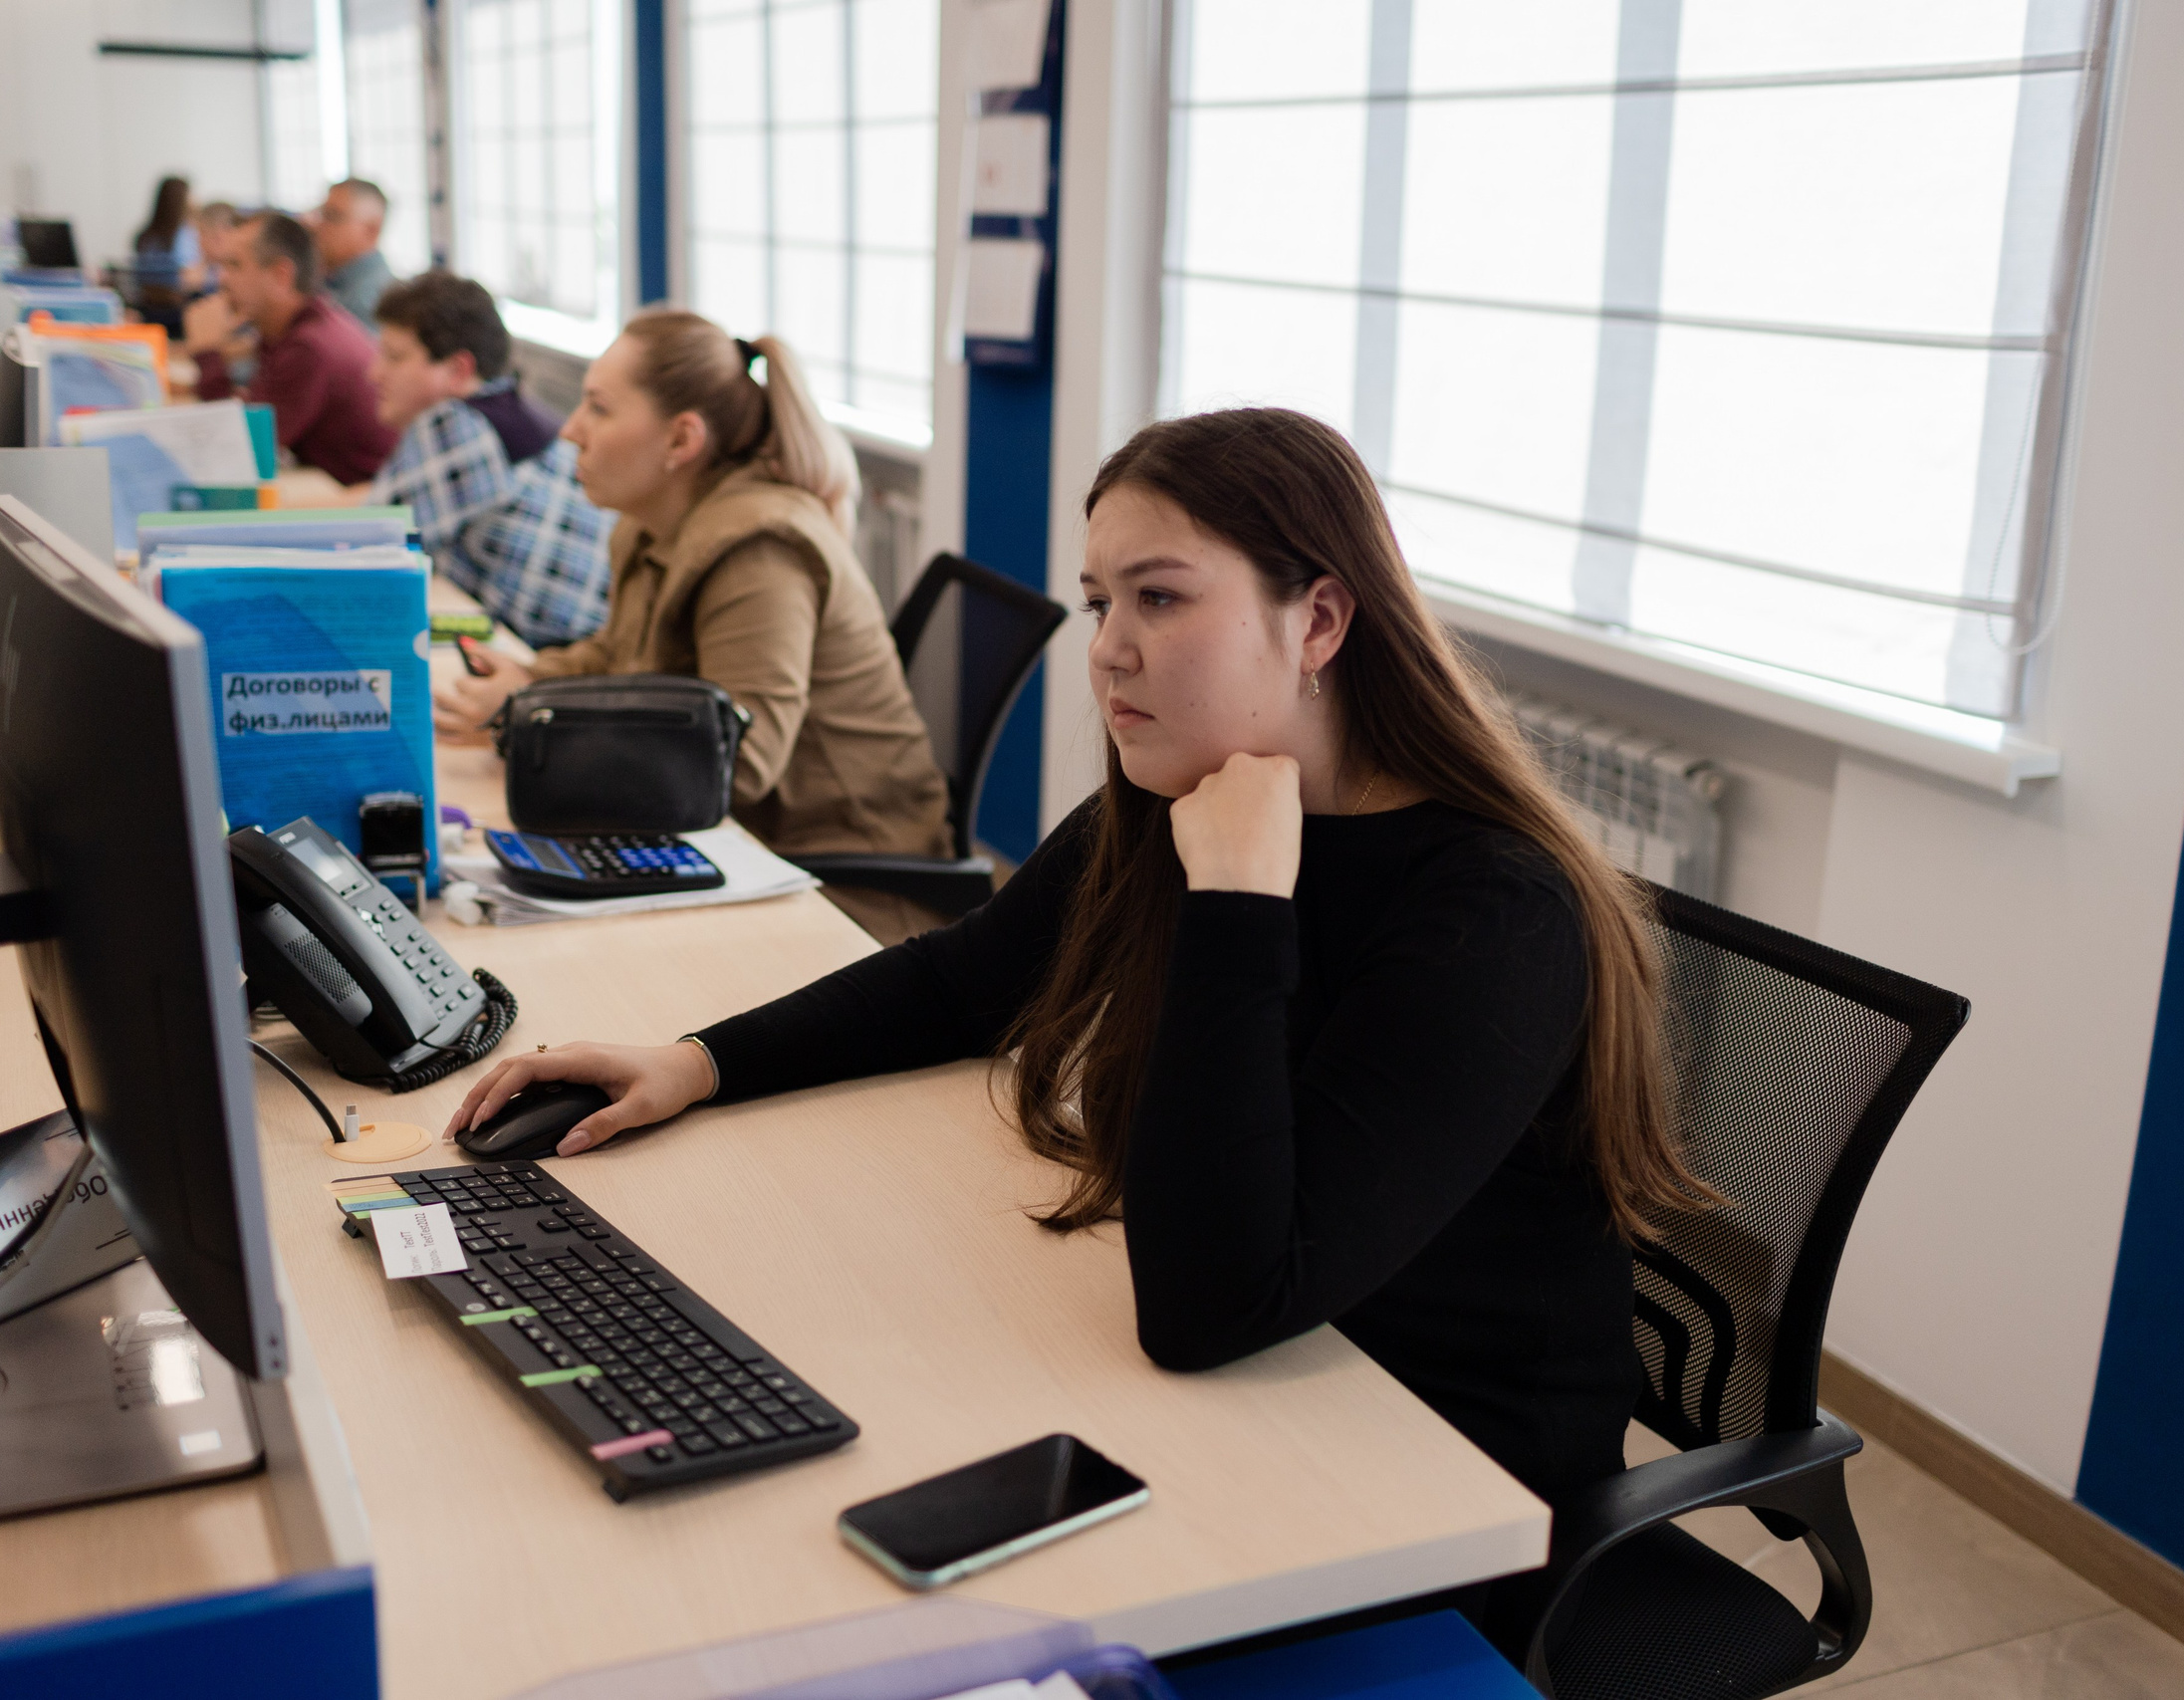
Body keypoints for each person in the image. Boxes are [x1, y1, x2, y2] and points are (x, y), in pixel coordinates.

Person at [443, 408, 1708, 1638]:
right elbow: (964, 980)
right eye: (1102, 601)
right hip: (1254, 1386)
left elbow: (1214, 1305)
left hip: (1439, 1478)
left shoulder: (1491, 913)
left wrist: (1238, 905)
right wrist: (700, 1061)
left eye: (1160, 598)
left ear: (1317, 617)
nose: (1106, 646)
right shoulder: (1191, 803)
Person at [432, 309, 952, 929]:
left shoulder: (758, 550)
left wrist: (536, 718)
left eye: (598, 408)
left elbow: (744, 760)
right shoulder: (651, 527)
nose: (571, 429)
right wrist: (531, 679)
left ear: (682, 440)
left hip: (840, 884)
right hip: (735, 849)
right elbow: (620, 655)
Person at [342, 270, 612, 647]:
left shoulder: (454, 424)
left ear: (458, 370)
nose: (374, 373)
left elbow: (362, 551)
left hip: (552, 662)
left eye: (395, 357)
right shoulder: (512, 413)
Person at [185, 211, 397, 485]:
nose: (222, 279)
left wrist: (208, 355)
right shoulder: (297, 329)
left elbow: (237, 452)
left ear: (281, 275)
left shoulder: (309, 347)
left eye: (235, 265)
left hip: (363, 507)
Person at [312, 178, 394, 332]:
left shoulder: (373, 300)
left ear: (372, 229)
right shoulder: (329, 281)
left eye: (332, 216)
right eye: (321, 213)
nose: (318, 225)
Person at [126, 175, 202, 333]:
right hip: (180, 313)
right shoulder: (185, 235)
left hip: (148, 311)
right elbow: (191, 279)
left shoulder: (144, 236)